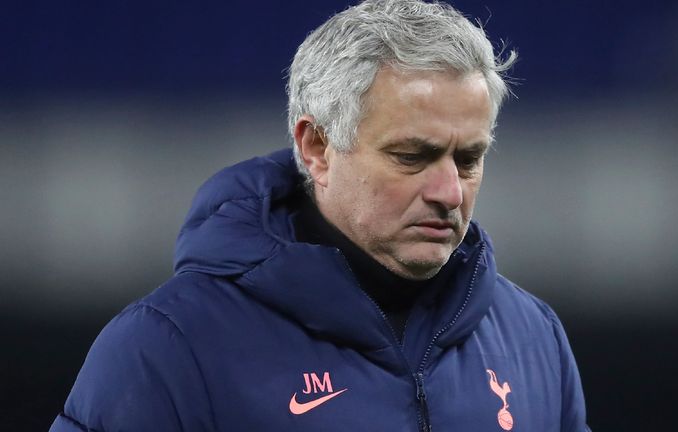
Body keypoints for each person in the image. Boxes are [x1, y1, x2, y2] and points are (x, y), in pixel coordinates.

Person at [51, 1, 590, 431]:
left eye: (469, 159)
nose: (450, 192)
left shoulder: (533, 337)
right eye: (412, 157)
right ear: (316, 148)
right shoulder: (169, 348)